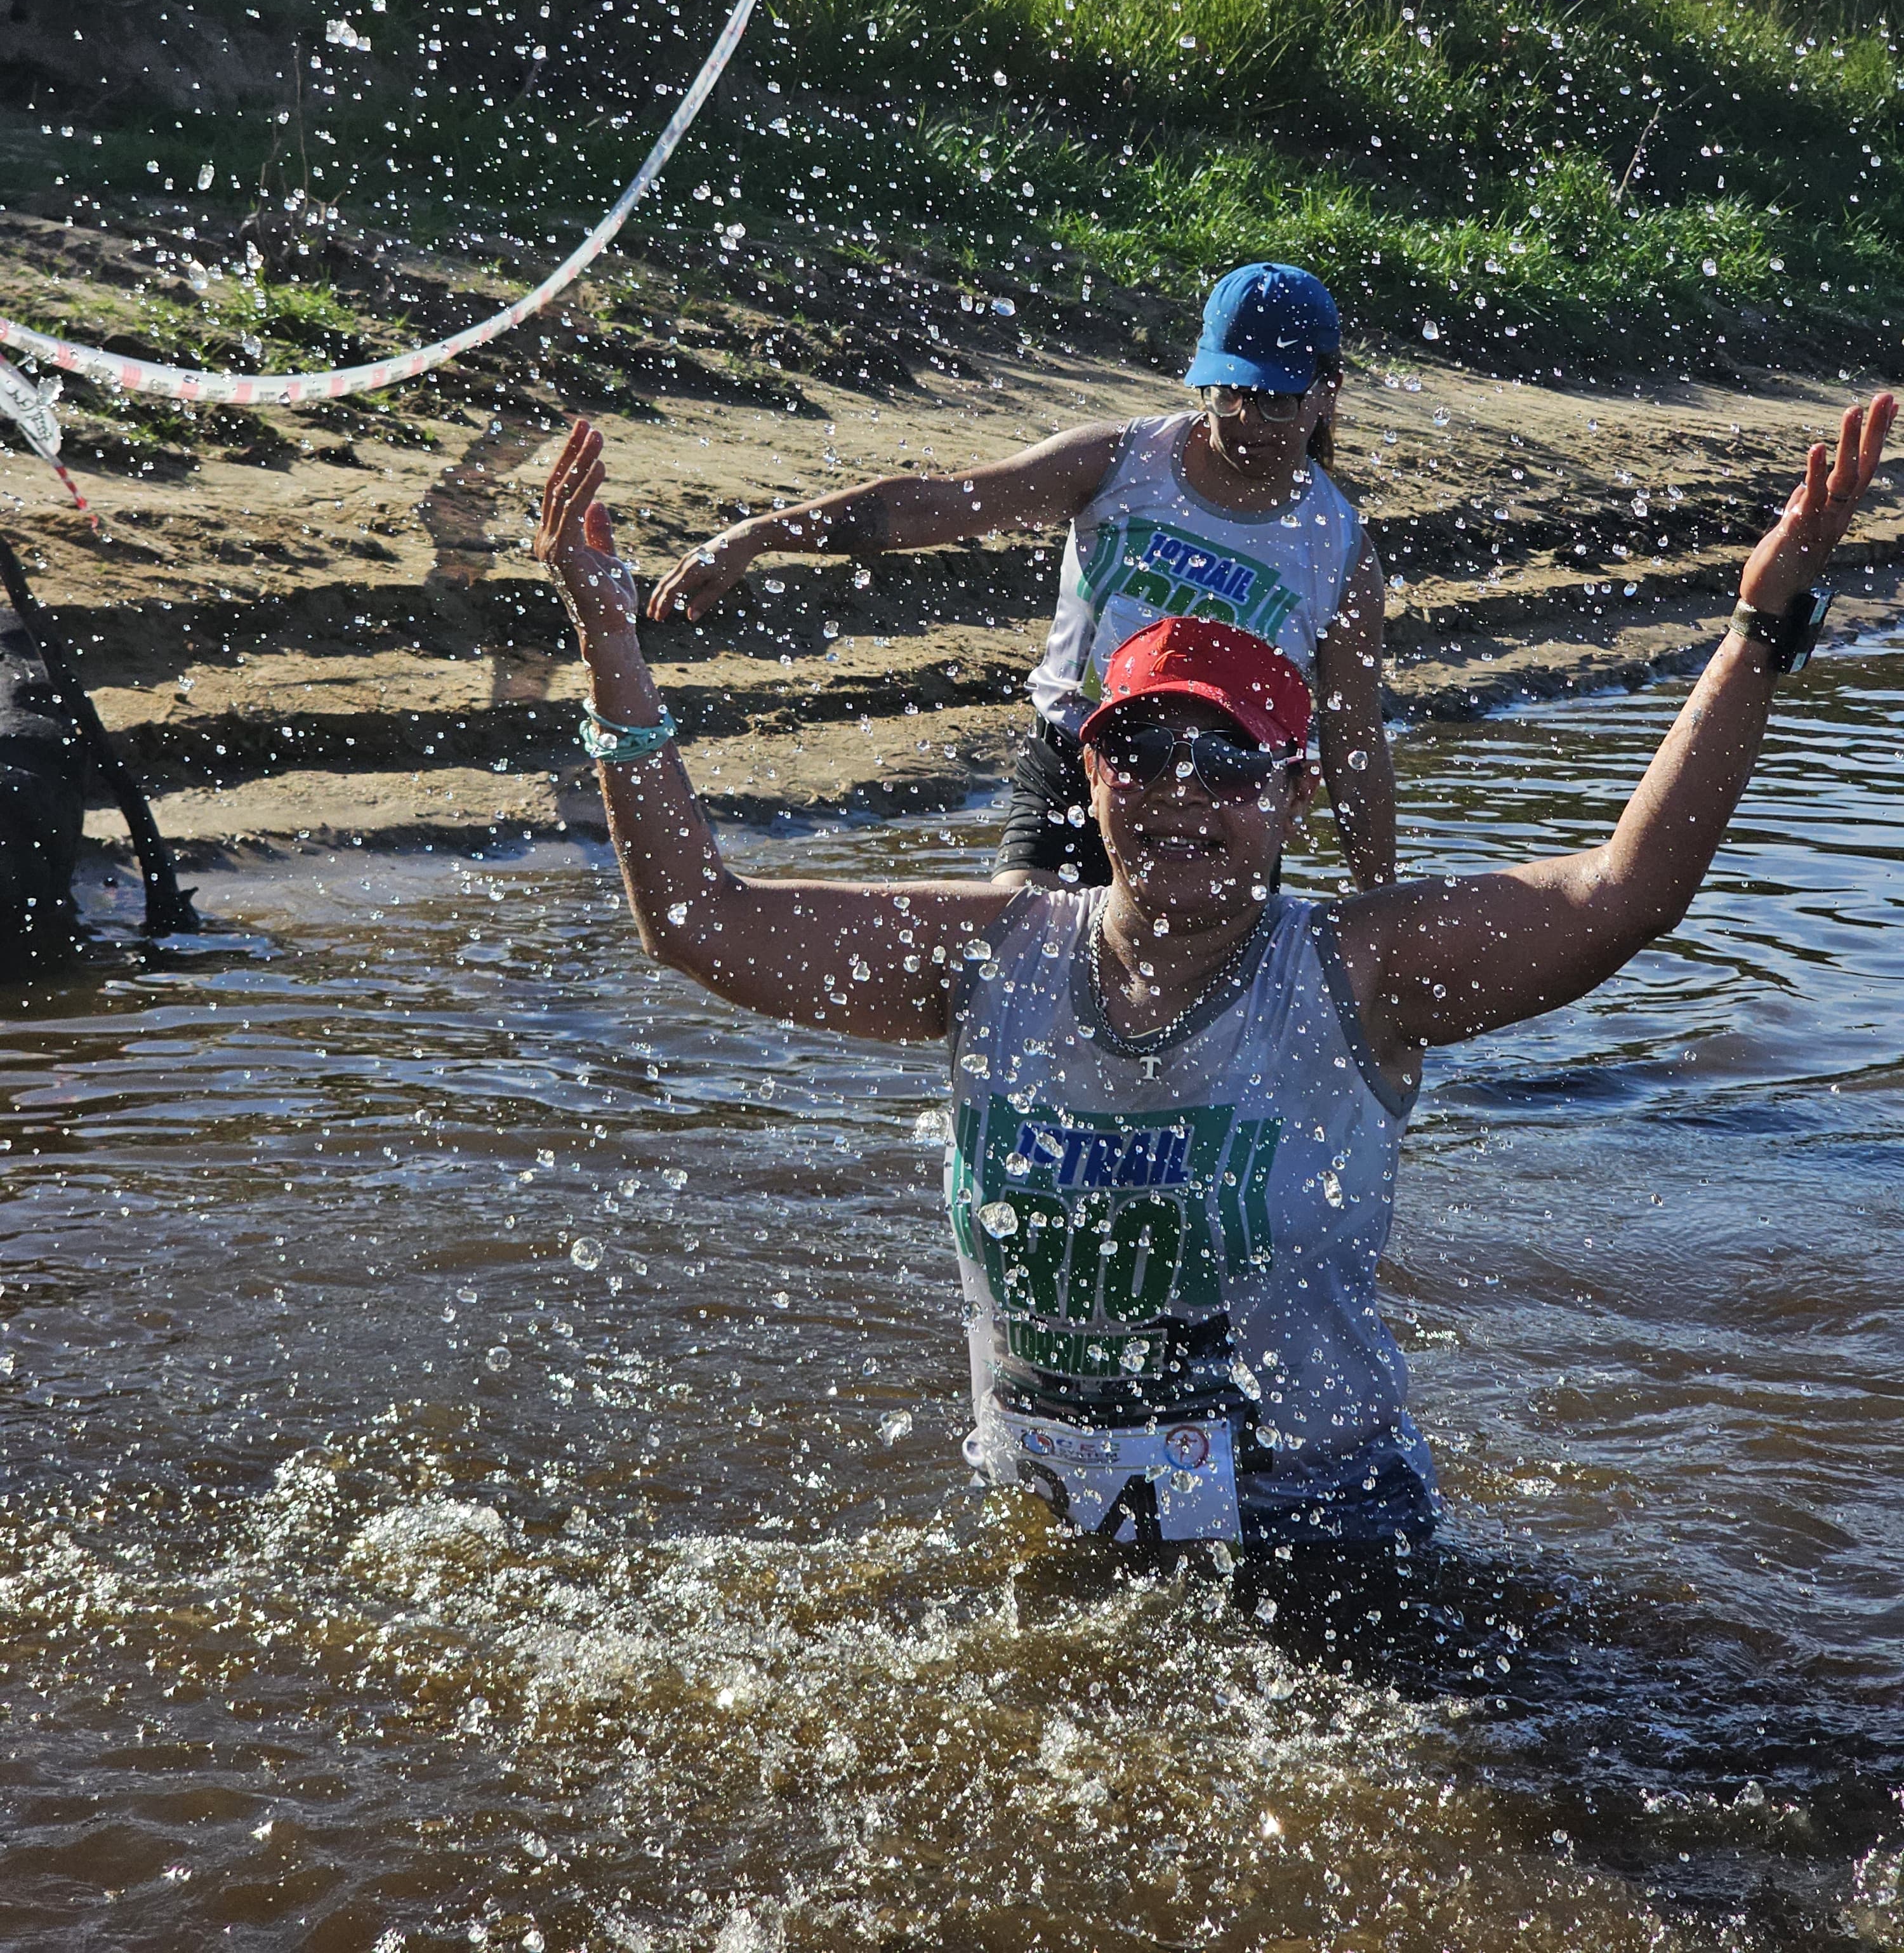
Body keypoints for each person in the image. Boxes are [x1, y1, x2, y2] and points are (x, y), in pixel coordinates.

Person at [534, 390, 1893, 1558]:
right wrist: (612, 642)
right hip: (1056, 1522)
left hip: (1329, 1528)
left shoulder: (1358, 973)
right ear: (1089, 771)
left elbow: (1624, 891)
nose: (1184, 793)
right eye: (1144, 752)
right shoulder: (990, 955)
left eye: (1231, 761)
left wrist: (1759, 634)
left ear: (1291, 792)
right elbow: (698, 919)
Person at [647, 262, 1398, 892]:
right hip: (1077, 759)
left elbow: (1355, 744)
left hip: (1228, 793)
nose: (1246, 420)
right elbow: (931, 505)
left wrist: (1381, 916)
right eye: (1227, 391)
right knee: (1019, 957)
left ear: (1328, 391)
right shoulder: (1119, 464)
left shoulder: (1340, 551)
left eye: (1275, 398)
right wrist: (760, 536)